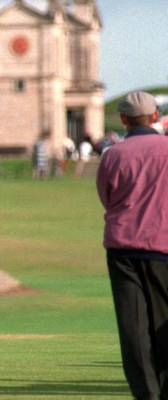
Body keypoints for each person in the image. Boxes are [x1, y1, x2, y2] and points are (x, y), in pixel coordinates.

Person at [96, 91, 168, 400]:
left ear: (123, 120)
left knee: (133, 328)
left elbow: (106, 197)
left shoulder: (113, 154)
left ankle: (146, 394)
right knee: (164, 323)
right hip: (164, 248)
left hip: (123, 249)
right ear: (155, 117)